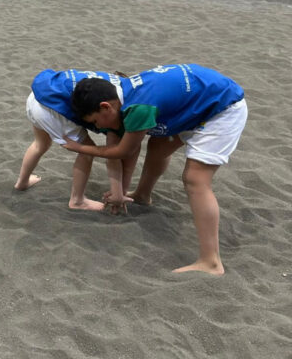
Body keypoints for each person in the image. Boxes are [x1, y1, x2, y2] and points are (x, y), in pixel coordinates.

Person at [64, 64, 248, 275]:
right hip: (198, 103)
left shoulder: (139, 108)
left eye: (96, 121)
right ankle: (142, 195)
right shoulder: (122, 91)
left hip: (222, 108)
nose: (100, 127)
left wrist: (79, 147)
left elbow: (124, 150)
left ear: (106, 107)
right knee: (158, 145)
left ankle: (211, 261)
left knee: (195, 179)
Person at [15, 69, 139, 211]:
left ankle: (22, 182)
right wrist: (117, 193)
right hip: (53, 108)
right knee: (87, 151)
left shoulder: (109, 85)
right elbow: (112, 154)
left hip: (37, 96)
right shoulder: (112, 108)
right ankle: (77, 200)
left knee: (40, 144)